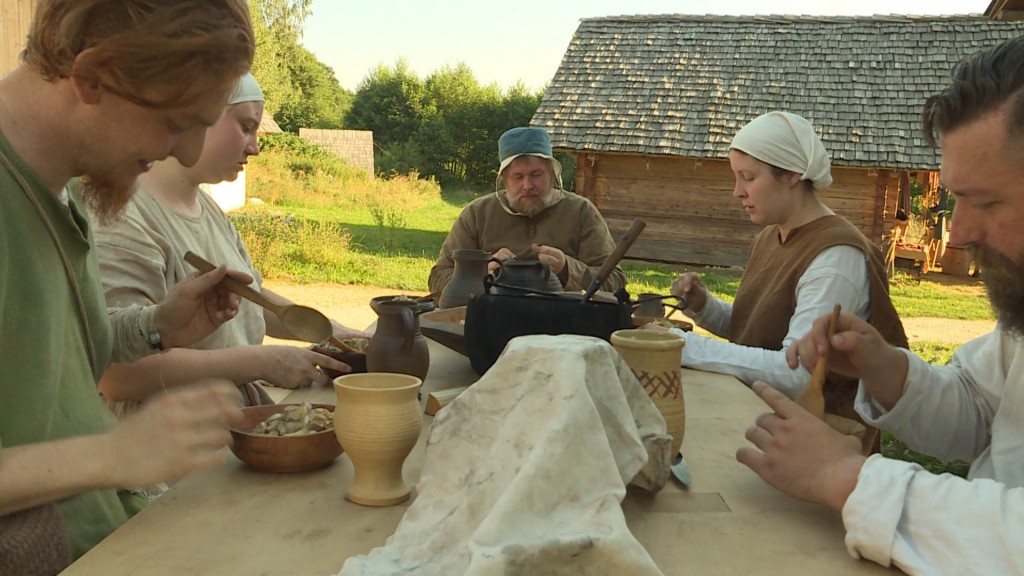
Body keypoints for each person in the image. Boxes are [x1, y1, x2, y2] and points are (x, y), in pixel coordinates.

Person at [737, 36, 1024, 574]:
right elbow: (986, 411)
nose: (957, 234)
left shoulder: (835, 248)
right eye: (955, 198)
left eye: (986, 201)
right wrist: (887, 370)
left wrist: (850, 479)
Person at [0, 0, 255, 571]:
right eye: (177, 121)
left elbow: (42, 362)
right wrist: (112, 454)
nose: (186, 152)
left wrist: (156, 327)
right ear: (93, 78)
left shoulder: (69, 189)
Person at [90, 72, 360, 416]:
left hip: (226, 424)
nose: (255, 147)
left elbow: (251, 300)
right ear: (198, 115)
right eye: (246, 127)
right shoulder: (122, 215)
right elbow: (119, 375)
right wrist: (260, 362)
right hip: (166, 447)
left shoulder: (207, 207)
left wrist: (337, 333)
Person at [658, 111, 907, 453]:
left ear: (792, 174)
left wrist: (684, 346)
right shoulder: (770, 237)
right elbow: (759, 329)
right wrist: (705, 308)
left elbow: (796, 374)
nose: (737, 192)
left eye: (748, 177)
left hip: (822, 449)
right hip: (764, 425)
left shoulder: (836, 256)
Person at [427, 126, 627, 299]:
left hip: (563, 328)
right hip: (492, 320)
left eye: (536, 175)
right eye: (518, 177)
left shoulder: (581, 212)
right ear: (504, 179)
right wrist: (480, 275)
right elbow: (438, 277)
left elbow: (615, 281)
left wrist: (567, 269)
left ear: (552, 174)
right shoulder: (478, 214)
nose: (527, 185)